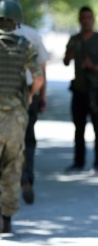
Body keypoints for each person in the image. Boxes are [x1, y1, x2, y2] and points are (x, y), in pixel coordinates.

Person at [0, 0, 44, 233]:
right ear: (16, 20)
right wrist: (29, 98)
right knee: (13, 166)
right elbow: (38, 79)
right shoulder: (25, 45)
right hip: (16, 117)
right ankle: (6, 216)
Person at [63, 6, 98, 173]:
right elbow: (66, 60)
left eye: (89, 18)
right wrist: (69, 55)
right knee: (79, 128)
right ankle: (79, 162)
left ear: (93, 20)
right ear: (79, 20)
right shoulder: (75, 39)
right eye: (83, 18)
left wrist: (95, 67)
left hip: (97, 89)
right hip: (79, 89)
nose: (86, 21)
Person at [14, 21, 49, 205]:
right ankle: (26, 176)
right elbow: (41, 72)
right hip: (28, 92)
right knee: (27, 139)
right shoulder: (31, 36)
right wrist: (38, 96)